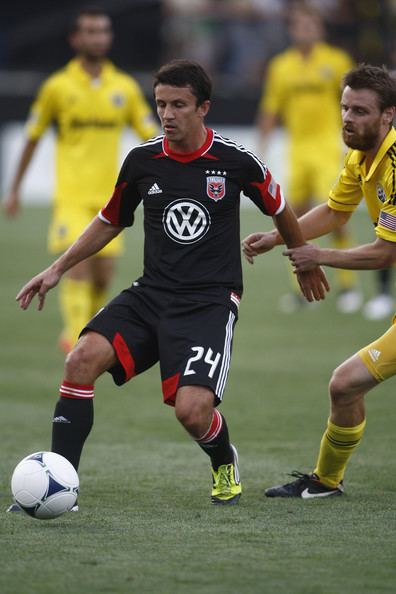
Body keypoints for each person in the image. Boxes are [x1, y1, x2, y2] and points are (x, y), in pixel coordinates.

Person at [8, 59, 328, 510]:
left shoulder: (236, 160)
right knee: (79, 362)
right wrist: (57, 268)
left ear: (203, 108)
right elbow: (110, 219)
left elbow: (280, 207)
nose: (167, 114)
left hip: (209, 302)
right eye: (161, 104)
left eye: (179, 104)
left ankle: (223, 460)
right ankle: (63, 485)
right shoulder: (142, 160)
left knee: (192, 412)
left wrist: (303, 260)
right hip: (151, 293)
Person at [242, 64, 396, 498]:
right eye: (345, 108)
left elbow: (388, 251)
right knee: (345, 386)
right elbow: (335, 212)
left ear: (388, 115)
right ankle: (326, 482)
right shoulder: (359, 157)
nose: (348, 117)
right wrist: (277, 237)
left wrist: (319, 257)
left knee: (344, 383)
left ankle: (326, 480)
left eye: (360, 111)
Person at [3, 6, 158, 353]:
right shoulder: (57, 87)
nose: (97, 37)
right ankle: (74, 337)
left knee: (103, 275)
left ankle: (85, 330)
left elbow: (150, 136)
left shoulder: (124, 88)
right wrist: (14, 190)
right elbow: (32, 137)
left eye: (103, 31)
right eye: (90, 31)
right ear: (75, 38)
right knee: (78, 269)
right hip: (71, 196)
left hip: (110, 198)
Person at [256, 2, 362, 314]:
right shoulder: (281, 66)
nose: (305, 30)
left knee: (336, 217)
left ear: (319, 28)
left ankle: (347, 286)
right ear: (292, 29)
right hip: (297, 150)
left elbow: (351, 105)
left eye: (310, 25)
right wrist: (260, 149)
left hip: (328, 149)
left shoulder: (336, 60)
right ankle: (301, 290)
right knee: (295, 221)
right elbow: (270, 109)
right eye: (299, 25)